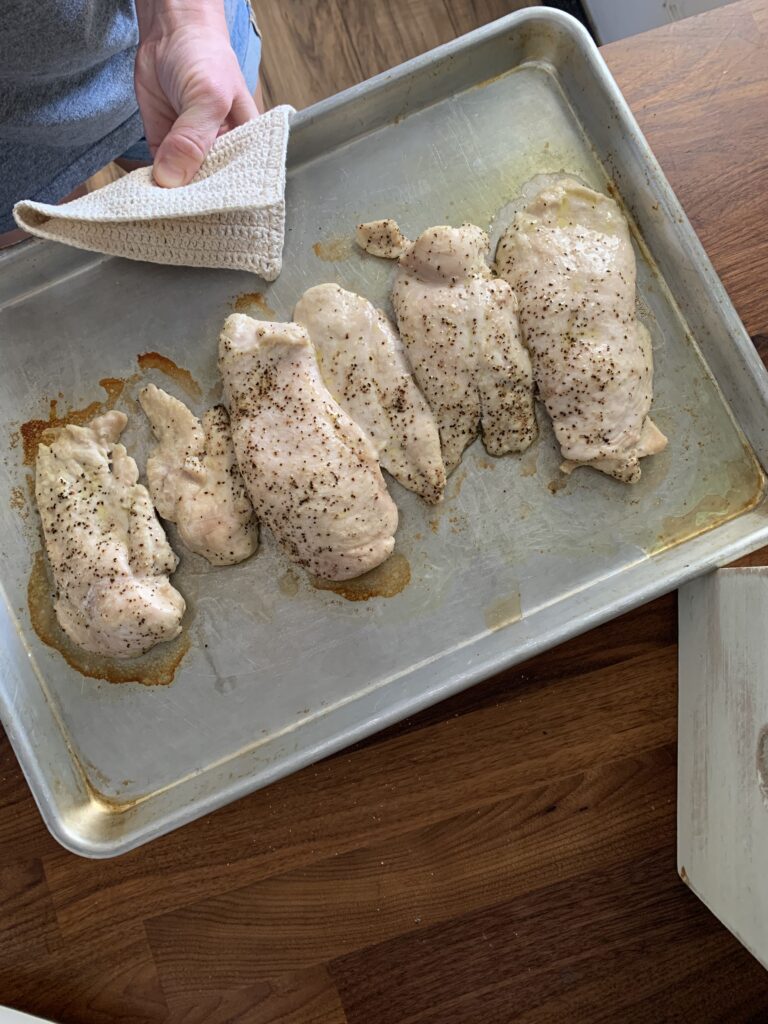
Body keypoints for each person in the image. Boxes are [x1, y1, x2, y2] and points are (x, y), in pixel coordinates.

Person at [0, 0, 263, 247]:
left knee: (246, 232)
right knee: (59, 271)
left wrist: (186, 19)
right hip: (15, 146)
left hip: (183, 62)